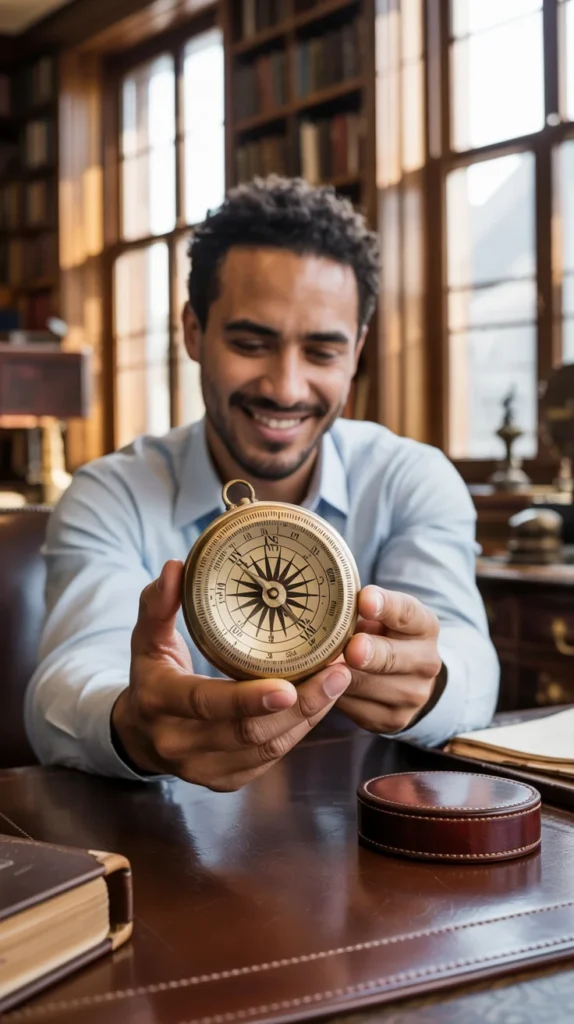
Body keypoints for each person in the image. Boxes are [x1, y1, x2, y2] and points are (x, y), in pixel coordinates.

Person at [25, 176, 499, 789]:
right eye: (252, 343)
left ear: (357, 350)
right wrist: (135, 724)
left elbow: (469, 660)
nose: (286, 387)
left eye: (322, 352)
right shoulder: (108, 495)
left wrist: (428, 683)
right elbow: (67, 685)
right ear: (193, 331)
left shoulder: (412, 478)